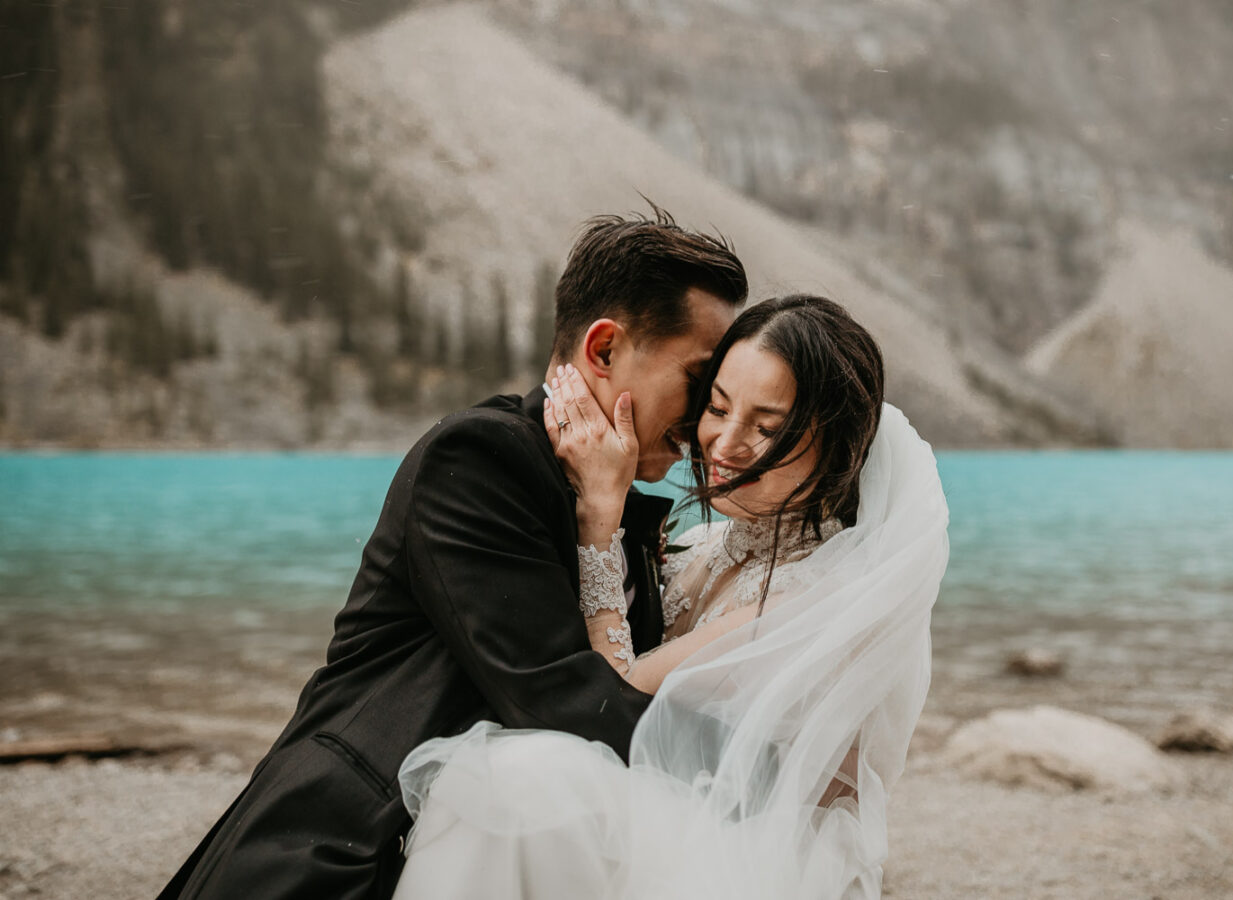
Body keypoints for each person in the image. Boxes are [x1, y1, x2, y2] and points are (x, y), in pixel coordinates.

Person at [155, 209, 747, 900]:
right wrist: (753, 768)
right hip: (345, 855)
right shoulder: (480, 460)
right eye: (700, 379)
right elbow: (561, 698)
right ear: (605, 349)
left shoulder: (620, 507)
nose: (707, 416)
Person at [392, 295, 950, 900]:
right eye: (716, 406)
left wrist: (600, 519)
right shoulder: (709, 545)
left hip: (746, 854)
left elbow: (615, 688)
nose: (723, 443)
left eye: (767, 429)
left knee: (522, 778)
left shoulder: (817, 594)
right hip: (681, 805)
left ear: (838, 448)